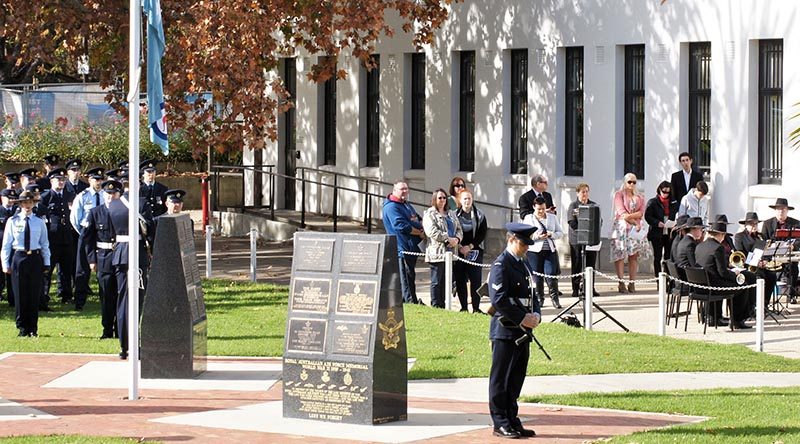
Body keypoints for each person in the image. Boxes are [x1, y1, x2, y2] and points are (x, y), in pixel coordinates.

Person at [488, 222, 541, 439]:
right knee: (501, 378)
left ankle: (512, 418)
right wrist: (522, 318)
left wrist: (536, 314)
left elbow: (533, 293)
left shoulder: (523, 263)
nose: (526, 248)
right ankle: (500, 421)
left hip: (523, 331)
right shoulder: (501, 264)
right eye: (523, 243)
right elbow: (498, 299)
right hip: (506, 329)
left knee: (516, 378)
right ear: (511, 240)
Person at [1, 190, 51, 337]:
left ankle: (33, 328)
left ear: (33, 204)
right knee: (20, 294)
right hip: (19, 258)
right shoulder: (13, 221)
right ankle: (22, 327)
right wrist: (5, 264)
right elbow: (6, 245)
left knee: (34, 294)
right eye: (24, 203)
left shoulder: (39, 222)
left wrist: (46, 262)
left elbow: (44, 244)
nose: (27, 205)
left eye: (30, 202)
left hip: (34, 258)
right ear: (21, 204)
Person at [695, 220, 755, 329]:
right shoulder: (718, 248)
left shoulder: (700, 246)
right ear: (721, 235)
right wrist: (737, 275)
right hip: (714, 285)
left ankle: (714, 317)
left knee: (738, 283)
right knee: (743, 285)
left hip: (701, 284)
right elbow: (723, 272)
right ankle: (737, 320)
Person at [38, 167, 76, 308]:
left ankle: (66, 295)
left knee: (67, 269)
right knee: (48, 269)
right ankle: (44, 296)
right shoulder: (45, 197)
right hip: (52, 238)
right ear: (51, 181)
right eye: (58, 180)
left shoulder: (69, 195)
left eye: (63, 180)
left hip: (66, 237)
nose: (61, 182)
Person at [382, 181, 426, 305]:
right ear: (394, 190)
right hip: (401, 248)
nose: (405, 192)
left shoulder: (405, 204)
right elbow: (401, 226)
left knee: (410, 276)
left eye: (406, 189)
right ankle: (410, 301)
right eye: (402, 189)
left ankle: (409, 299)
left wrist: (423, 226)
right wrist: (419, 233)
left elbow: (416, 218)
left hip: (410, 247)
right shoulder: (391, 207)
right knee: (405, 277)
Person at [70, 167, 106, 310]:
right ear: (90, 180)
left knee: (103, 268)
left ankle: (104, 297)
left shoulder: (105, 195)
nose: (98, 182)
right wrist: (84, 234)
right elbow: (74, 218)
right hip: (86, 235)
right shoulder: (82, 196)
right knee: (82, 270)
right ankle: (79, 301)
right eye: (96, 179)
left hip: (103, 235)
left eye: (100, 179)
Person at [610, 173, 650, 293]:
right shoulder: (619, 195)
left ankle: (632, 283)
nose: (631, 184)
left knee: (634, 256)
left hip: (635, 230)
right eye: (629, 182)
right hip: (622, 228)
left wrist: (631, 218)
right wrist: (634, 220)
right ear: (625, 182)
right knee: (620, 255)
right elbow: (621, 212)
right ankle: (621, 282)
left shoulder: (640, 196)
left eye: (634, 182)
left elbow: (641, 212)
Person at [423, 189, 462, 308]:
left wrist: (457, 239)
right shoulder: (429, 214)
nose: (442, 200)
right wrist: (447, 239)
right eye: (440, 198)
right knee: (436, 281)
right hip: (437, 253)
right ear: (434, 199)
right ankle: (435, 304)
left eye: (444, 198)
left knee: (447, 280)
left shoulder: (451, 214)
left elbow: (459, 229)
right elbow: (432, 232)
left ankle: (444, 303)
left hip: (451, 252)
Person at [523, 196, 564, 308]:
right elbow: (526, 235)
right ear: (533, 207)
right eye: (539, 209)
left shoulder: (552, 217)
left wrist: (552, 234)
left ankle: (555, 298)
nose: (541, 211)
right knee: (537, 276)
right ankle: (539, 299)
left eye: (543, 208)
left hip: (549, 250)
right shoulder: (529, 218)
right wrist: (537, 236)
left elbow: (560, 232)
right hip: (534, 251)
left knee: (551, 274)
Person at [454, 189, 487, 313]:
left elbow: (482, 233)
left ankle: (476, 308)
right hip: (459, 250)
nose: (467, 201)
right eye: (465, 199)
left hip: (475, 251)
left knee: (475, 280)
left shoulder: (480, 215)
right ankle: (463, 307)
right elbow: (452, 231)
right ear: (460, 200)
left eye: (469, 198)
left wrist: (470, 246)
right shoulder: (454, 214)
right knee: (460, 279)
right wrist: (461, 246)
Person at [734, 211, 777, 307]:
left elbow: (766, 250)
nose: (754, 226)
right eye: (751, 224)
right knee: (759, 276)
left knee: (772, 276)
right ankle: (754, 304)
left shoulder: (762, 236)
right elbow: (740, 253)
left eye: (756, 223)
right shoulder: (739, 236)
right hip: (748, 266)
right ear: (745, 225)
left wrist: (765, 260)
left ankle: (764, 303)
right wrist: (754, 262)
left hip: (761, 265)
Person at [760, 198, 800, 301]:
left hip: (788, 256)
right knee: (768, 272)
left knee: (794, 268)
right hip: (772, 256)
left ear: (787, 210)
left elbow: (798, 240)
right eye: (778, 209)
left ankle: (791, 295)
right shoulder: (767, 223)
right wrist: (772, 247)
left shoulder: (796, 223)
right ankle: (766, 299)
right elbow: (764, 241)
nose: (781, 211)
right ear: (775, 210)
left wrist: (793, 246)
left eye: (783, 209)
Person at [566, 183, 599, 298]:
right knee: (577, 264)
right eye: (582, 192)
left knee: (590, 264)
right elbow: (572, 223)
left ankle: (590, 288)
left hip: (590, 239)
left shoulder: (593, 205)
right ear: (577, 193)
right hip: (577, 240)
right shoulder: (573, 206)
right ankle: (575, 289)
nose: (585, 194)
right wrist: (583, 230)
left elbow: (598, 220)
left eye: (586, 191)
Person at [645, 181, 678, 275]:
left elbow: (676, 214)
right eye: (664, 191)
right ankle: (658, 279)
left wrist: (673, 223)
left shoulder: (674, 202)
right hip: (657, 233)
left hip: (669, 232)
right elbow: (648, 216)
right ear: (659, 190)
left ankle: (667, 278)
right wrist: (657, 223)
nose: (665, 194)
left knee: (668, 257)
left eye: (668, 192)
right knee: (657, 257)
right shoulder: (653, 202)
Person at [0, 188, 17, 306]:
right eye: (8, 198)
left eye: (12, 199)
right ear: (2, 198)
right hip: (0, 246)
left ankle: (13, 298)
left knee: (12, 274)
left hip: (14, 248)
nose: (10, 201)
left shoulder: (17, 211)